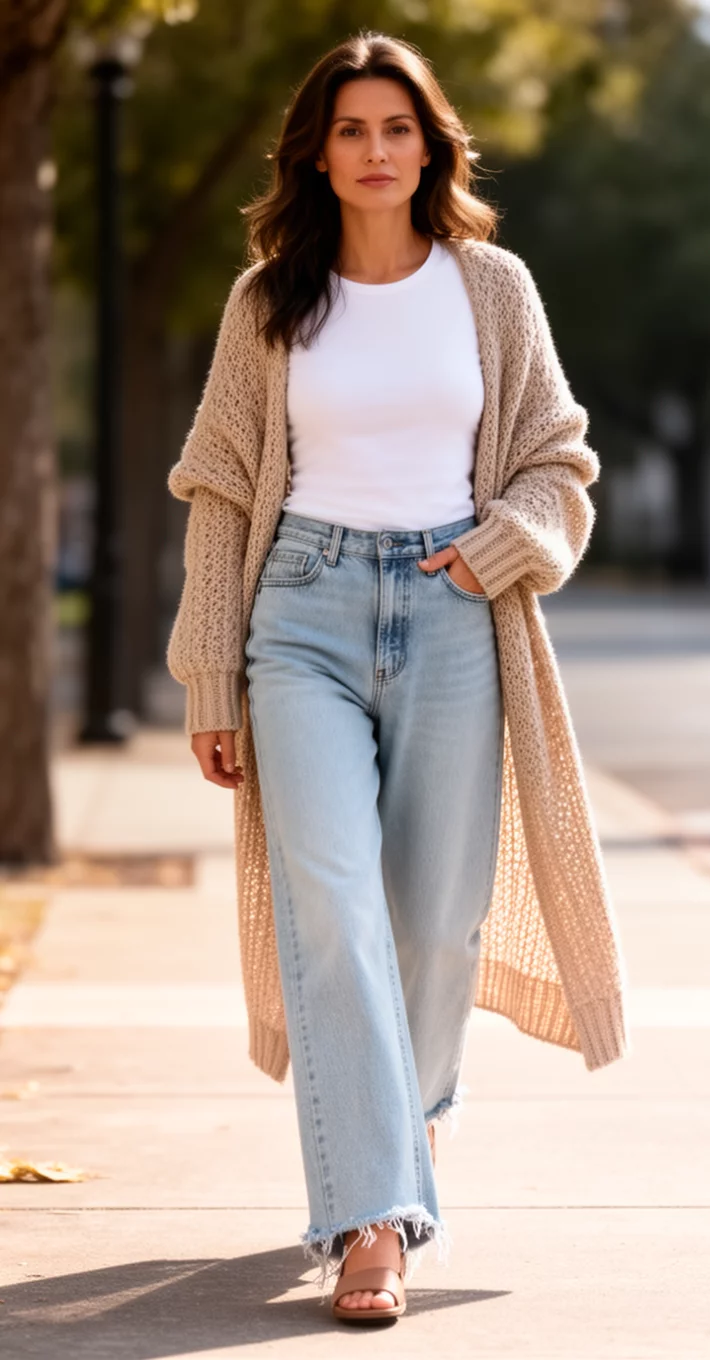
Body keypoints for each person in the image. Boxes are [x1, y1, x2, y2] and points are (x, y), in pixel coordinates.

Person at [166, 30, 631, 1326]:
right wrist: (210, 671)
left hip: (450, 611)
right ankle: (373, 1217)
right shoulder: (270, 300)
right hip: (300, 610)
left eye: (396, 128)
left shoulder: (490, 288)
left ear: (430, 145)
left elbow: (555, 458)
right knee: (329, 906)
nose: (375, 151)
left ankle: (390, 1127)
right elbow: (214, 494)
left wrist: (500, 550)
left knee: (434, 923)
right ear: (316, 151)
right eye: (351, 130)